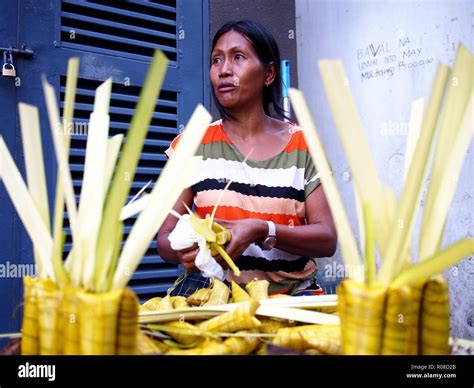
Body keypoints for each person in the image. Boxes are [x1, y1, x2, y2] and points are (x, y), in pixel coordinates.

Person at [157, 20, 337, 297]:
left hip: (292, 297)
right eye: (216, 60)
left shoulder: (305, 145)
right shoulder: (191, 144)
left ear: (268, 74)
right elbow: (164, 238)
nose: (224, 70)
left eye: (238, 57)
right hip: (213, 297)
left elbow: (326, 239)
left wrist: (263, 229)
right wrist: (185, 250)